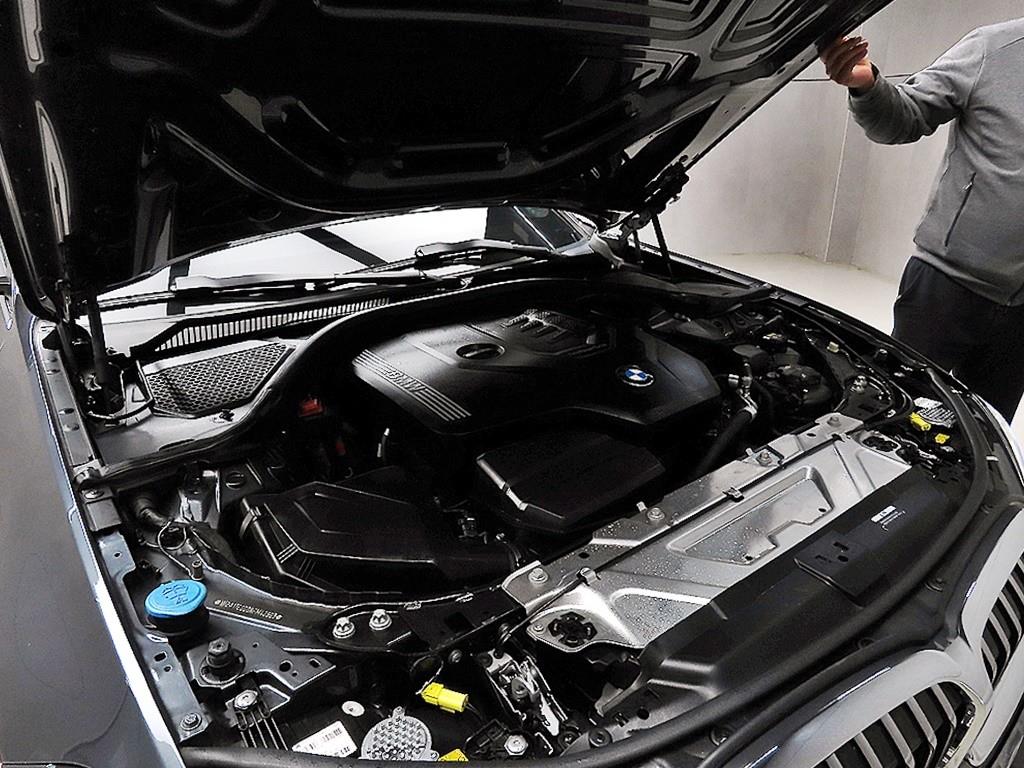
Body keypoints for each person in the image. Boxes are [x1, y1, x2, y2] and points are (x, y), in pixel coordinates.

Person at [819, 20, 1024, 421]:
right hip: (945, 287)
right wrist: (867, 86)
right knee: (898, 415)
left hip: (1020, 317)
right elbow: (904, 118)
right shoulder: (993, 48)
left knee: (986, 431)